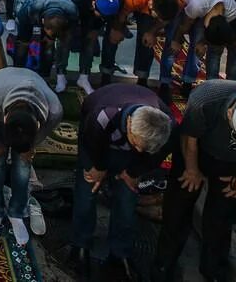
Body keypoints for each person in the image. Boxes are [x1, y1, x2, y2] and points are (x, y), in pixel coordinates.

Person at [153, 82, 236, 282]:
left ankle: (214, 268)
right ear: (230, 113)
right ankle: (164, 263)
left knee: (221, 215)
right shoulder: (205, 100)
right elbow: (188, 138)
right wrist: (192, 170)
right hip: (196, 151)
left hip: (235, 163)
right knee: (177, 208)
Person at [71, 83, 175, 280]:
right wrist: (99, 168)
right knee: (87, 190)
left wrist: (133, 171)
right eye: (136, 144)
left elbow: (156, 154)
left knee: (127, 197)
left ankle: (120, 253)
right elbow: (91, 141)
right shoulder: (103, 115)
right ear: (128, 124)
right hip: (96, 142)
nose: (139, 150)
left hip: (132, 156)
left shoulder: (167, 125)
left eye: (145, 148)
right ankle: (80, 244)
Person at [0, 67, 64, 245]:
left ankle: (16, 212)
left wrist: (28, 148)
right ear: (4, 119)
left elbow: (29, 146)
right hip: (2, 79)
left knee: (23, 161)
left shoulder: (54, 111)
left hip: (34, 83)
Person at [104, 0, 185, 93]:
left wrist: (152, 32)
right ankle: (106, 72)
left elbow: (165, 20)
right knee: (113, 35)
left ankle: (142, 78)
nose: (161, 21)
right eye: (158, 17)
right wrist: (117, 29)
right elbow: (120, 15)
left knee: (147, 39)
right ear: (151, 6)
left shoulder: (178, 1)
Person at [165, 0, 236, 97]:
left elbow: (213, 34)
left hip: (204, 3)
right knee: (172, 44)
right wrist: (176, 39)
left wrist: (202, 43)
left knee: (197, 49)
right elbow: (184, 26)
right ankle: (164, 82)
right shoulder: (197, 6)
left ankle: (188, 82)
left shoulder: (233, 11)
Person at [12, 0, 79, 92]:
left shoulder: (72, 11)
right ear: (42, 21)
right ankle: (18, 75)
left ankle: (44, 77)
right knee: (23, 42)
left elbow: (66, 40)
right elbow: (22, 38)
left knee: (49, 45)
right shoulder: (30, 8)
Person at [61, 0, 123, 94]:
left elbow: (114, 18)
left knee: (90, 39)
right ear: (94, 4)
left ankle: (84, 78)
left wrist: (115, 29)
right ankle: (60, 75)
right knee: (66, 38)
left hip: (94, 8)